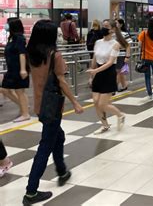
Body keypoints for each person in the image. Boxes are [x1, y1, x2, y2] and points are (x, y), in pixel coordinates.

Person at [23, 20, 83, 205]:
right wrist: (75, 102)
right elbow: (62, 82)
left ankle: (62, 171)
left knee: (59, 136)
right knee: (45, 147)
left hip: (40, 105)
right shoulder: (54, 55)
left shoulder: (31, 54)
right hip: (52, 106)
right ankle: (31, 192)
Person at [87, 19, 127, 134]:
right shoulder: (98, 42)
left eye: (106, 26)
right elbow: (94, 58)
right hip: (97, 73)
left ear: (113, 29)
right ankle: (104, 125)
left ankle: (120, 115)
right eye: (103, 26)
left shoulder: (115, 44)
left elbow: (110, 62)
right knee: (95, 101)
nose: (104, 28)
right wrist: (91, 75)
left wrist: (95, 71)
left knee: (102, 104)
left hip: (108, 73)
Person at [1, 18, 30, 122]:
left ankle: (25, 113)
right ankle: (24, 106)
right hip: (11, 68)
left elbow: (22, 53)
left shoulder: (19, 38)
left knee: (19, 91)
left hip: (18, 68)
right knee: (4, 89)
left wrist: (23, 69)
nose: (6, 25)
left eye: (7, 23)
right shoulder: (12, 38)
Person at [115, 19, 133, 93]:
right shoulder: (112, 33)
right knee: (120, 72)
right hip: (113, 55)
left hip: (121, 55)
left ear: (121, 24)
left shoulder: (124, 34)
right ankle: (124, 85)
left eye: (116, 23)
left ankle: (114, 87)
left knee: (118, 71)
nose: (115, 24)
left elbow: (128, 45)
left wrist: (127, 56)